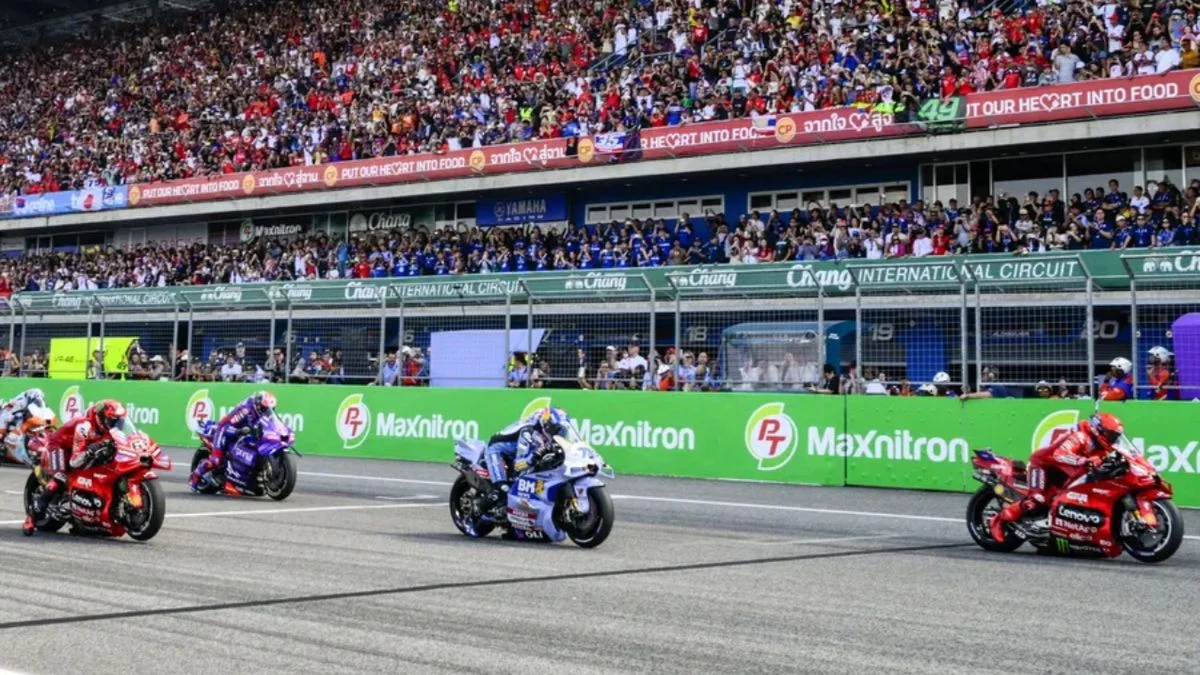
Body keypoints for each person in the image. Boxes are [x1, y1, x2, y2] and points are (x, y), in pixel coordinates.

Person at [989, 413, 1124, 542]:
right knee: (1037, 499)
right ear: (1099, 430)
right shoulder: (1080, 436)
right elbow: (1059, 454)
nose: (1113, 439)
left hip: (1063, 470)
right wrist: (1083, 461)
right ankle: (999, 520)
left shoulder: (1104, 446)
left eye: (1115, 436)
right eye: (1111, 435)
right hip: (1043, 464)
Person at [24, 400, 127, 535]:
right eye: (113, 421)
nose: (116, 425)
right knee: (60, 477)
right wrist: (91, 451)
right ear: (101, 417)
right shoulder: (84, 426)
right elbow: (75, 461)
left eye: (119, 422)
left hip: (78, 451)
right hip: (60, 447)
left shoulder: (111, 431)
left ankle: (83, 518)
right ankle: (31, 517)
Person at [480, 406, 567, 511]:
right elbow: (519, 465)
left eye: (562, 431)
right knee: (502, 489)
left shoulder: (549, 438)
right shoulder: (529, 433)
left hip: (514, 452)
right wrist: (534, 457)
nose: (558, 434)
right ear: (547, 425)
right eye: (556, 430)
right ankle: (478, 511)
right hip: (496, 450)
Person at [189, 391, 277, 493]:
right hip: (225, 430)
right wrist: (239, 431)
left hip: (243, 433)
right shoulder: (245, 410)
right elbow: (226, 426)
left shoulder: (264, 414)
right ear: (258, 405)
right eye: (264, 408)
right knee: (215, 461)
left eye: (270, 409)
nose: (267, 411)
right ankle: (194, 478)